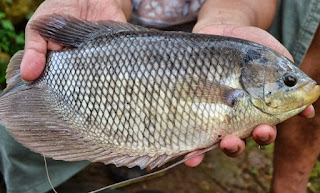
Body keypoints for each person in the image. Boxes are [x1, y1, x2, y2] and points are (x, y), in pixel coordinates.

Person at [0, 0, 318, 192]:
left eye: (288, 81)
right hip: (120, 30)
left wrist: (231, 18)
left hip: (218, 25)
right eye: (289, 81)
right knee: (25, 108)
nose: (300, 87)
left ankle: (290, 186)